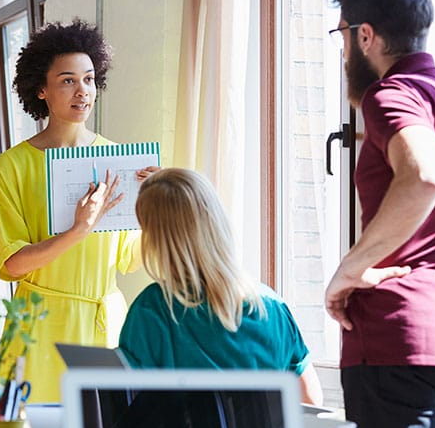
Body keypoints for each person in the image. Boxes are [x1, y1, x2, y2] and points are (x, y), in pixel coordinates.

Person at [324, 0, 435, 428]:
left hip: (398, 338)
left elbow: (425, 174)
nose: (344, 48)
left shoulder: (393, 93)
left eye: (342, 34)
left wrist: (350, 268)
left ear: (364, 35)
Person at [0, 19, 156, 403]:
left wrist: (156, 205)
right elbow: (13, 265)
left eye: (88, 79)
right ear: (41, 89)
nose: (81, 91)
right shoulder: (13, 165)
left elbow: (132, 260)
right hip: (38, 326)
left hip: (105, 324)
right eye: (67, 80)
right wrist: (76, 231)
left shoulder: (119, 160)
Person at [118, 168, 323, 406]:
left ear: (156, 240)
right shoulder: (272, 306)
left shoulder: (153, 309)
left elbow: (128, 409)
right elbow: (311, 402)